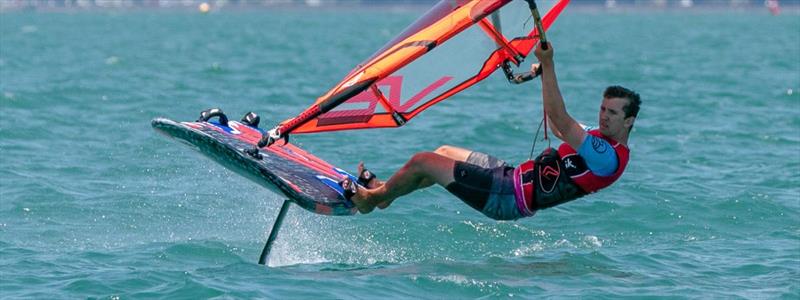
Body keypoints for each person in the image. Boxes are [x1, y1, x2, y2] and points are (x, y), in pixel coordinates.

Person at [342, 41, 641, 220]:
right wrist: (543, 78)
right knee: (442, 153)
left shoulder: (608, 158)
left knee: (423, 161)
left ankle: (371, 200)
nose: (604, 117)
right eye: (602, 109)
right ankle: (387, 195)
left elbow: (561, 121)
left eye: (612, 113)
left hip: (507, 198)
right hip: (508, 176)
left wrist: (548, 66)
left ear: (628, 121)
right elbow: (557, 126)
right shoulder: (597, 139)